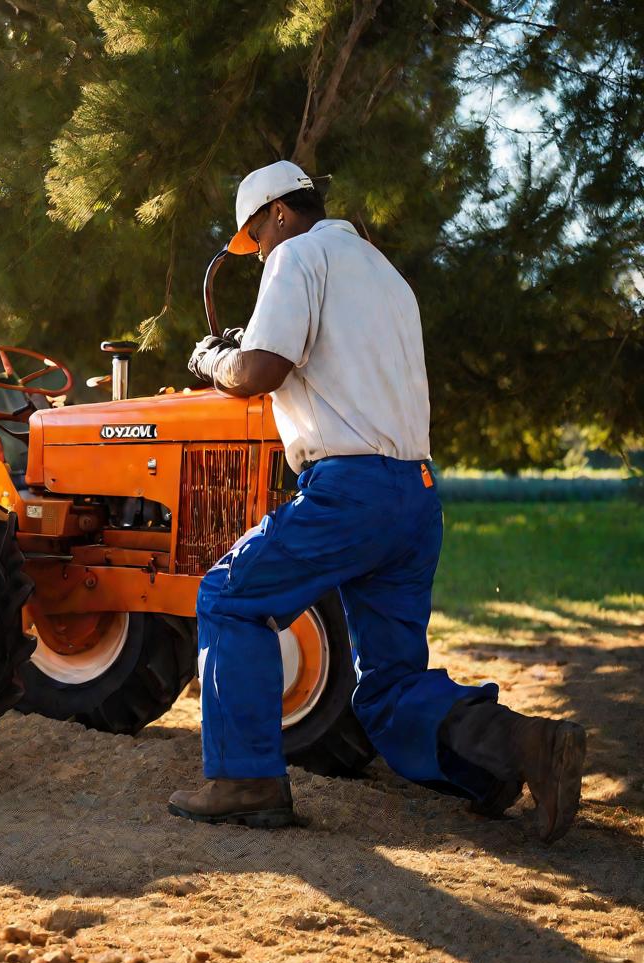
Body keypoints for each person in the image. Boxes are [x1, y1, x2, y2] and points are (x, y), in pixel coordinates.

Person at [167, 160, 587, 843]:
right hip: (415, 494)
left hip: (351, 490)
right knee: (387, 688)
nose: (259, 253)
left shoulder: (296, 256)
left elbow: (260, 372)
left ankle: (246, 778)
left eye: (256, 237)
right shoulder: (381, 272)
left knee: (228, 597)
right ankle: (520, 749)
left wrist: (213, 358)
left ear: (277, 214)